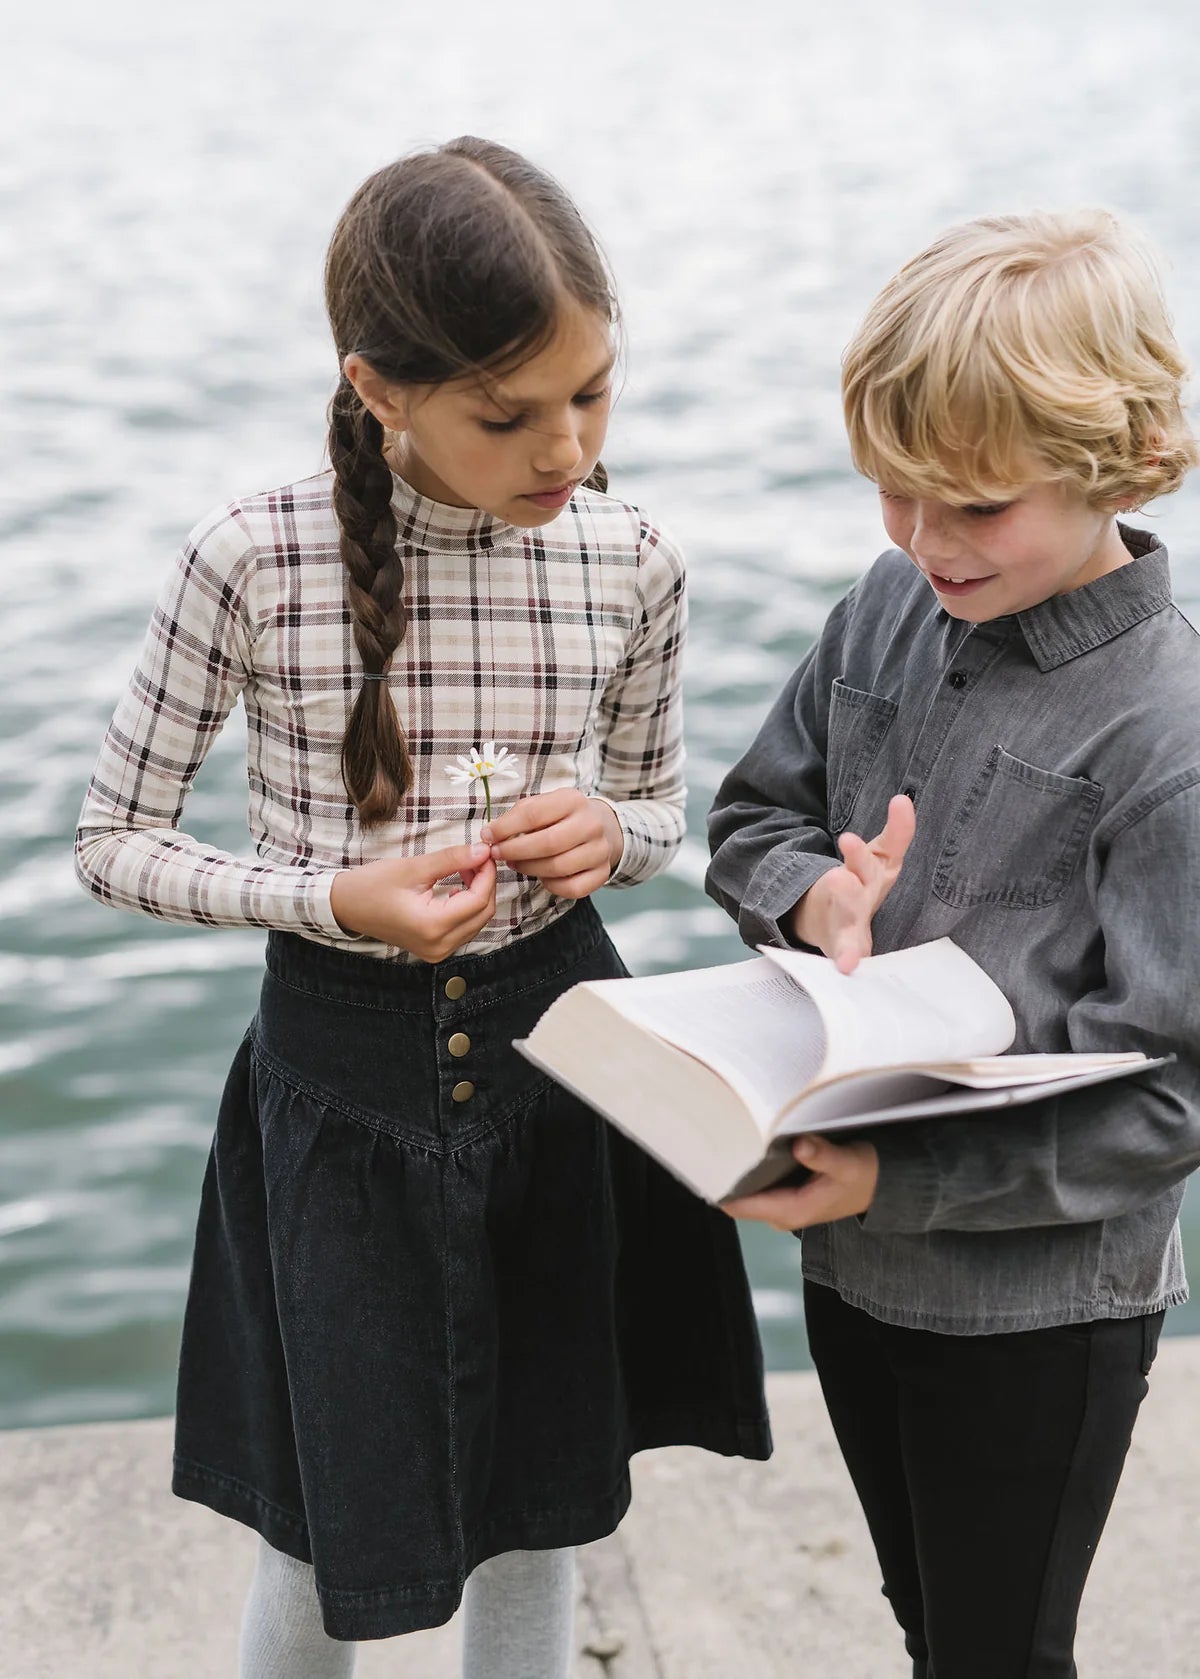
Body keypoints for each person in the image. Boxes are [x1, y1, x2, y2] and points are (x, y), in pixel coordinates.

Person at [75, 137, 770, 1678]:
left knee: (547, 1507)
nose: (566, 449)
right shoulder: (249, 558)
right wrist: (331, 895)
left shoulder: (635, 557)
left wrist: (610, 831)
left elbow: (658, 807)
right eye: (507, 415)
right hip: (339, 1088)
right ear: (379, 388)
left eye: (596, 393)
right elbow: (113, 842)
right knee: (326, 1531)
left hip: (565, 1066)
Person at [706, 209, 1200, 1679]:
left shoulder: (1172, 736)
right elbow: (749, 820)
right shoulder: (885, 609)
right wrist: (812, 900)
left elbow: (1172, 1094)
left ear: (1117, 459)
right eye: (891, 493)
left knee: (1000, 1652)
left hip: (1041, 1306)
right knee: (931, 1624)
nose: (924, 541)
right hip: (851, 1264)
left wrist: (897, 1170)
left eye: (974, 507)